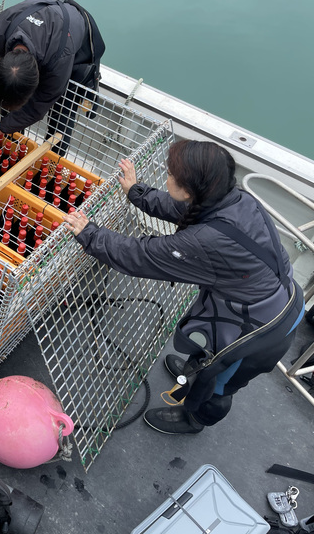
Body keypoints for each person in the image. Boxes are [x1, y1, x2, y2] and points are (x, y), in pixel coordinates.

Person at [63, 141, 304, 434]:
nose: (166, 177)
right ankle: (196, 373)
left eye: (170, 174)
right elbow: (186, 208)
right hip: (277, 297)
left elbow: (140, 255)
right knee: (211, 353)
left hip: (262, 332)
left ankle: (195, 419)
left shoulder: (206, 240)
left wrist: (91, 235)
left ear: (191, 188)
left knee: (220, 384)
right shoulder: (236, 199)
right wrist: (137, 194)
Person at [0, 0, 104, 154]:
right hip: (38, 11)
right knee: (10, 101)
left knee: (61, 119)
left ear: (37, 82)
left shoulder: (58, 65)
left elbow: (37, 107)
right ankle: (10, 151)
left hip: (75, 42)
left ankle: (51, 165)